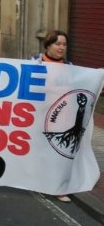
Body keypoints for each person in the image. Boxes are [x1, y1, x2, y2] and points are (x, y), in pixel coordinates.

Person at [30, 30, 73, 203]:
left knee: (58, 152)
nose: (61, 48)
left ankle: (59, 188)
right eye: (57, 44)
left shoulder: (70, 66)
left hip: (61, 117)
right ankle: (37, 181)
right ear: (48, 45)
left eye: (64, 44)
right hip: (38, 114)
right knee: (39, 150)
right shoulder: (36, 61)